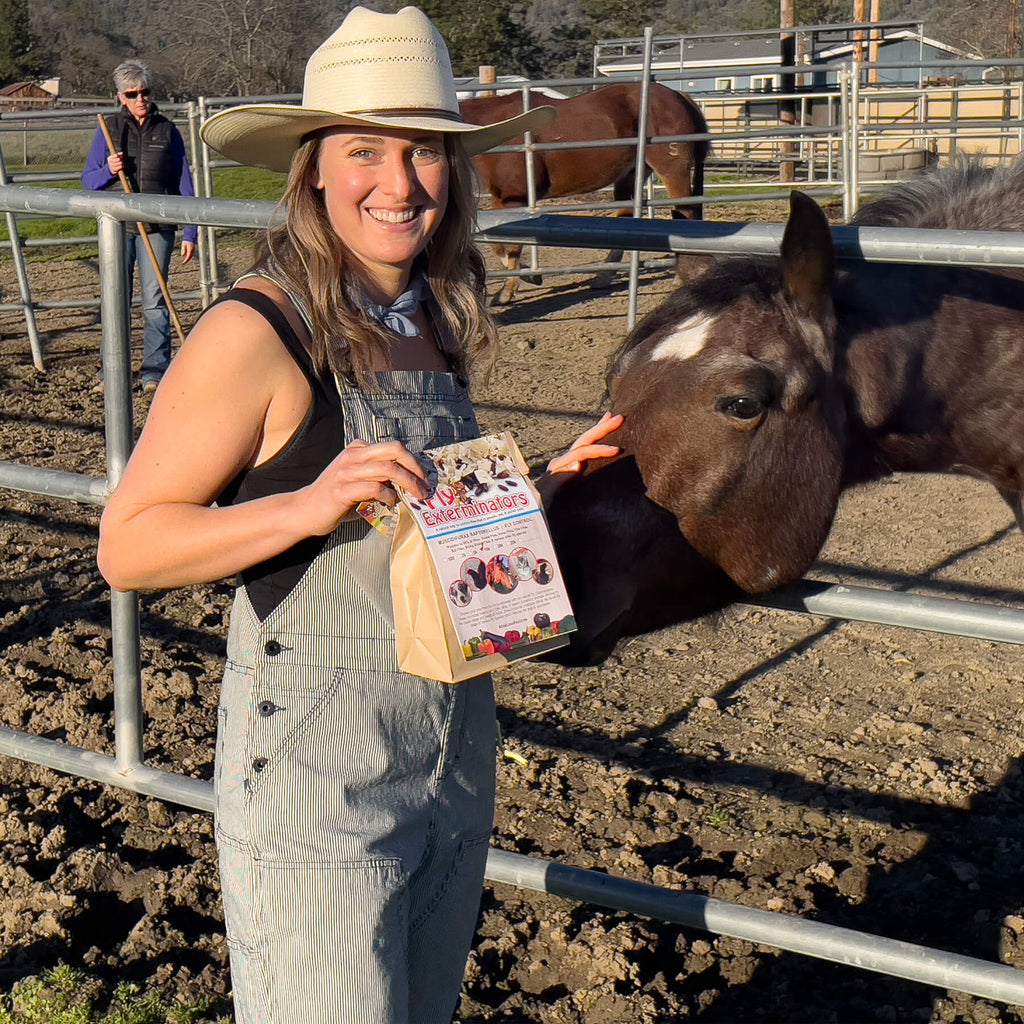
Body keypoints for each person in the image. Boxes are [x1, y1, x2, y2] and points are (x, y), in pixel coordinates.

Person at [97, 7, 622, 1023]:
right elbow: (131, 542)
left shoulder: (431, 313)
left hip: (451, 751)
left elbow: (415, 519)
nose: (399, 182)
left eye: (423, 151)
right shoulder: (257, 330)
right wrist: (308, 501)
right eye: (365, 151)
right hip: (318, 771)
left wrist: (540, 489)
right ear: (314, 168)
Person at [81, 59, 197, 394]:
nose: (140, 98)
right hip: (117, 230)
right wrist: (108, 168)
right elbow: (88, 181)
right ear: (121, 96)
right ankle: (111, 371)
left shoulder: (167, 130)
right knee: (115, 300)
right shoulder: (109, 130)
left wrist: (189, 231)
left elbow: (183, 181)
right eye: (132, 93)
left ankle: (154, 373)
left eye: (144, 91)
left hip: (158, 229)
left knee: (154, 301)